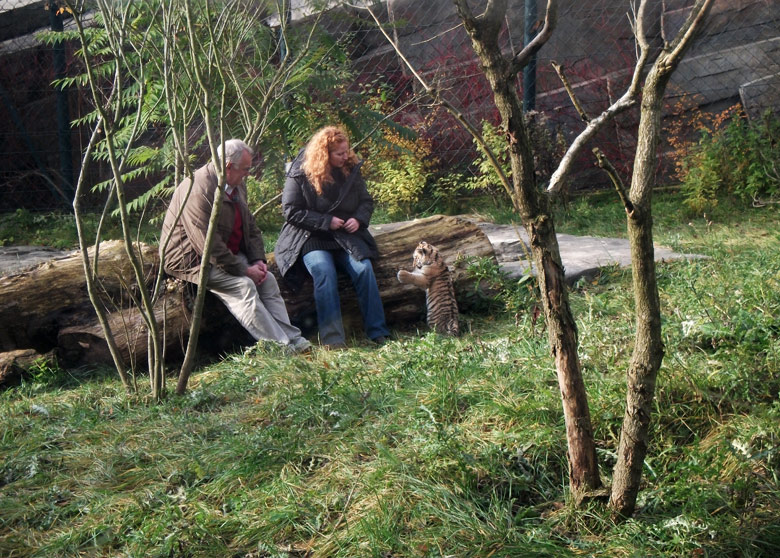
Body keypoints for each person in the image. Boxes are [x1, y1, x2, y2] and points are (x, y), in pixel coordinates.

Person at [160, 139, 311, 354]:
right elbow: (207, 244)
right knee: (244, 286)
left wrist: (258, 260)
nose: (248, 174)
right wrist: (244, 270)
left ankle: (294, 339)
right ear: (228, 166)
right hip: (192, 260)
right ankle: (280, 348)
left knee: (267, 280)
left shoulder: (236, 183)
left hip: (224, 255)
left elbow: (250, 226)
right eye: (246, 169)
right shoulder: (198, 189)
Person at [274, 126, 390, 349]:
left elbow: (366, 201)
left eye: (347, 151)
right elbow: (290, 211)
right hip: (311, 238)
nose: (345, 156)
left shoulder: (350, 168)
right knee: (323, 271)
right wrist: (326, 222)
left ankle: (378, 331)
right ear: (324, 154)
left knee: (364, 268)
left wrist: (358, 219)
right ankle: (333, 340)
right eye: (339, 153)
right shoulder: (300, 172)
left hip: (345, 237)